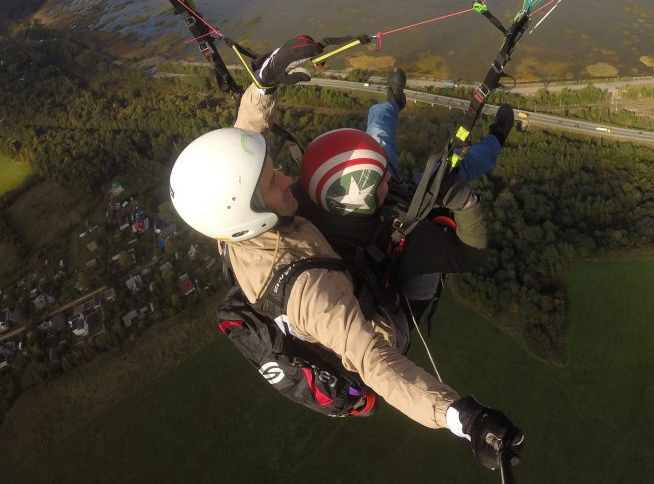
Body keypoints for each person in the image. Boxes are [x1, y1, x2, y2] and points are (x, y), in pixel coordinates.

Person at [169, 123, 523, 470]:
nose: (287, 178)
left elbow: (238, 155)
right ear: (249, 209)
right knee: (427, 192)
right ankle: (488, 139)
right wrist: (462, 418)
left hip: (348, 274)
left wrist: (263, 89)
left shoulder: (233, 229)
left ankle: (409, 113)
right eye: (273, 182)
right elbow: (375, 364)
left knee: (386, 145)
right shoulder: (311, 293)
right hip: (381, 326)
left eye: (275, 168)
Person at [237, 36, 515, 316]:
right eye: (382, 177)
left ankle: (393, 101)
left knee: (379, 138)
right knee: (455, 169)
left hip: (372, 207)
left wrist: (264, 85)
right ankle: (496, 139)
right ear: (363, 198)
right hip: (394, 234)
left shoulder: (293, 202)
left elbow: (241, 174)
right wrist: (464, 202)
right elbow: (469, 255)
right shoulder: (407, 246)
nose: (389, 177)